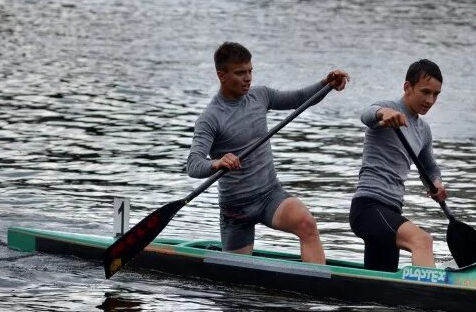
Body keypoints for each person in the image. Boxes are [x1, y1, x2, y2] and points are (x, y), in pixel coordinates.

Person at [186, 41, 349, 262]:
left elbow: (301, 98)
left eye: (250, 71)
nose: (248, 78)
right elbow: (193, 164)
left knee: (306, 223)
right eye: (240, 73)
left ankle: (316, 291)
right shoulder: (210, 118)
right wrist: (216, 163)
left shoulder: (260, 96)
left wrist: (326, 83)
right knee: (234, 283)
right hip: (236, 210)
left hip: (269, 196)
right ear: (221, 75)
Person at [349, 59, 447, 273]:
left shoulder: (423, 130)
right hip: (369, 207)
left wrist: (437, 184)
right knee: (422, 241)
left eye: (435, 95)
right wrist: (383, 114)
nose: (430, 100)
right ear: (407, 87)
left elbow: (429, 168)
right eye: (425, 92)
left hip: (392, 210)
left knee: (380, 280)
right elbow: (367, 113)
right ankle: (429, 300)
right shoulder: (389, 109)